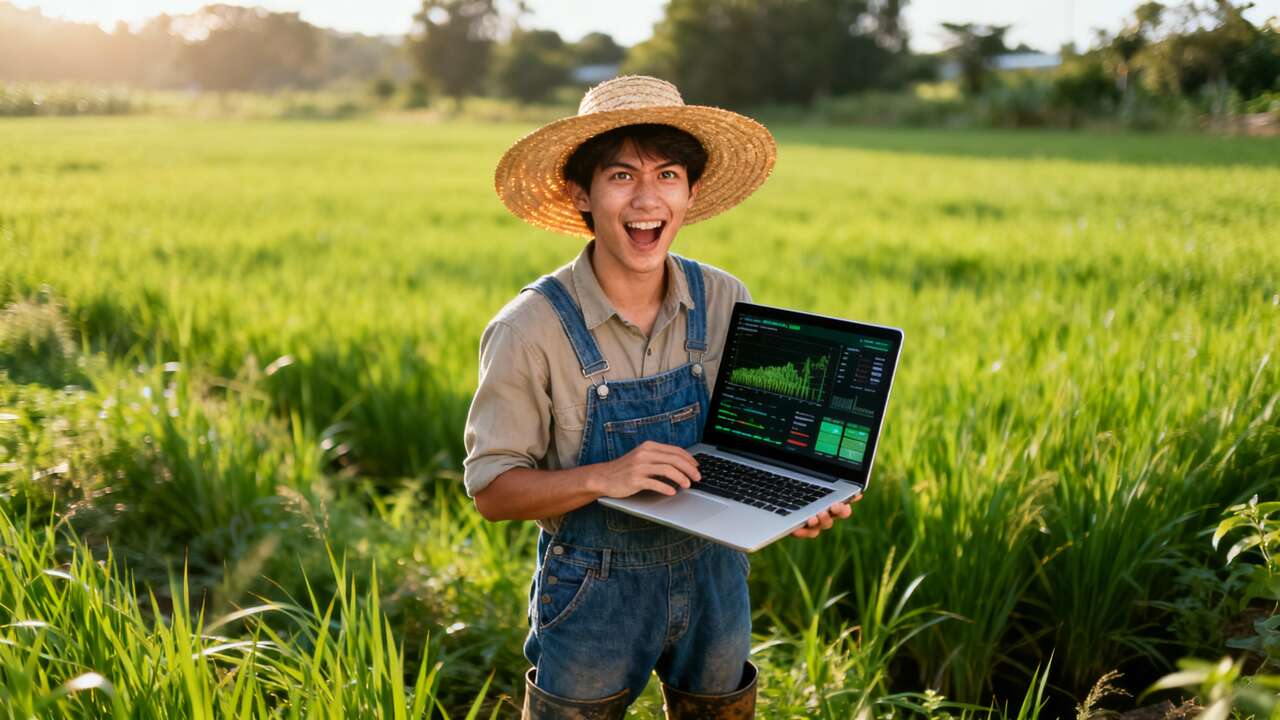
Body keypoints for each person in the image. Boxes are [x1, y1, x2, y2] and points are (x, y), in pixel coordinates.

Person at [465, 75, 856, 719]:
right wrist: (608, 475)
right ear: (581, 193)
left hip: (715, 581)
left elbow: (751, 438)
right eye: (621, 176)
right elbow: (492, 492)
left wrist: (798, 493)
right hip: (592, 591)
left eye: (668, 174)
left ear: (691, 192)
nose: (647, 198)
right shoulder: (528, 328)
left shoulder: (726, 298)